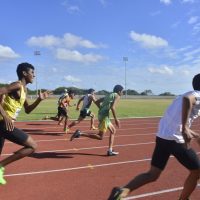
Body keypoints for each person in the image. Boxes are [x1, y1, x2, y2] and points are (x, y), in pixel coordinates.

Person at [108, 74, 200, 200]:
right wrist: (184, 128)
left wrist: (194, 134)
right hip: (175, 139)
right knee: (197, 171)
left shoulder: (182, 95)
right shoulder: (197, 95)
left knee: (152, 174)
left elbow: (176, 119)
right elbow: (188, 100)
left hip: (163, 137)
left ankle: (123, 190)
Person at [0, 62, 51, 185]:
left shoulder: (24, 90)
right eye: (32, 72)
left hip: (4, 125)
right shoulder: (17, 85)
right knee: (32, 146)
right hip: (2, 123)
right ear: (24, 73)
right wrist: (5, 116)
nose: (34, 75)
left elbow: (27, 110)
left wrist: (39, 99)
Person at [70, 85, 123, 156]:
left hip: (103, 115)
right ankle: (80, 133)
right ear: (119, 91)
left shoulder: (109, 94)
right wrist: (116, 119)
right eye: (122, 91)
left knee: (113, 131)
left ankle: (110, 150)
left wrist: (102, 108)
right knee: (100, 137)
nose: (122, 93)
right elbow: (113, 107)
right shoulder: (117, 96)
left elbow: (97, 102)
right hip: (104, 116)